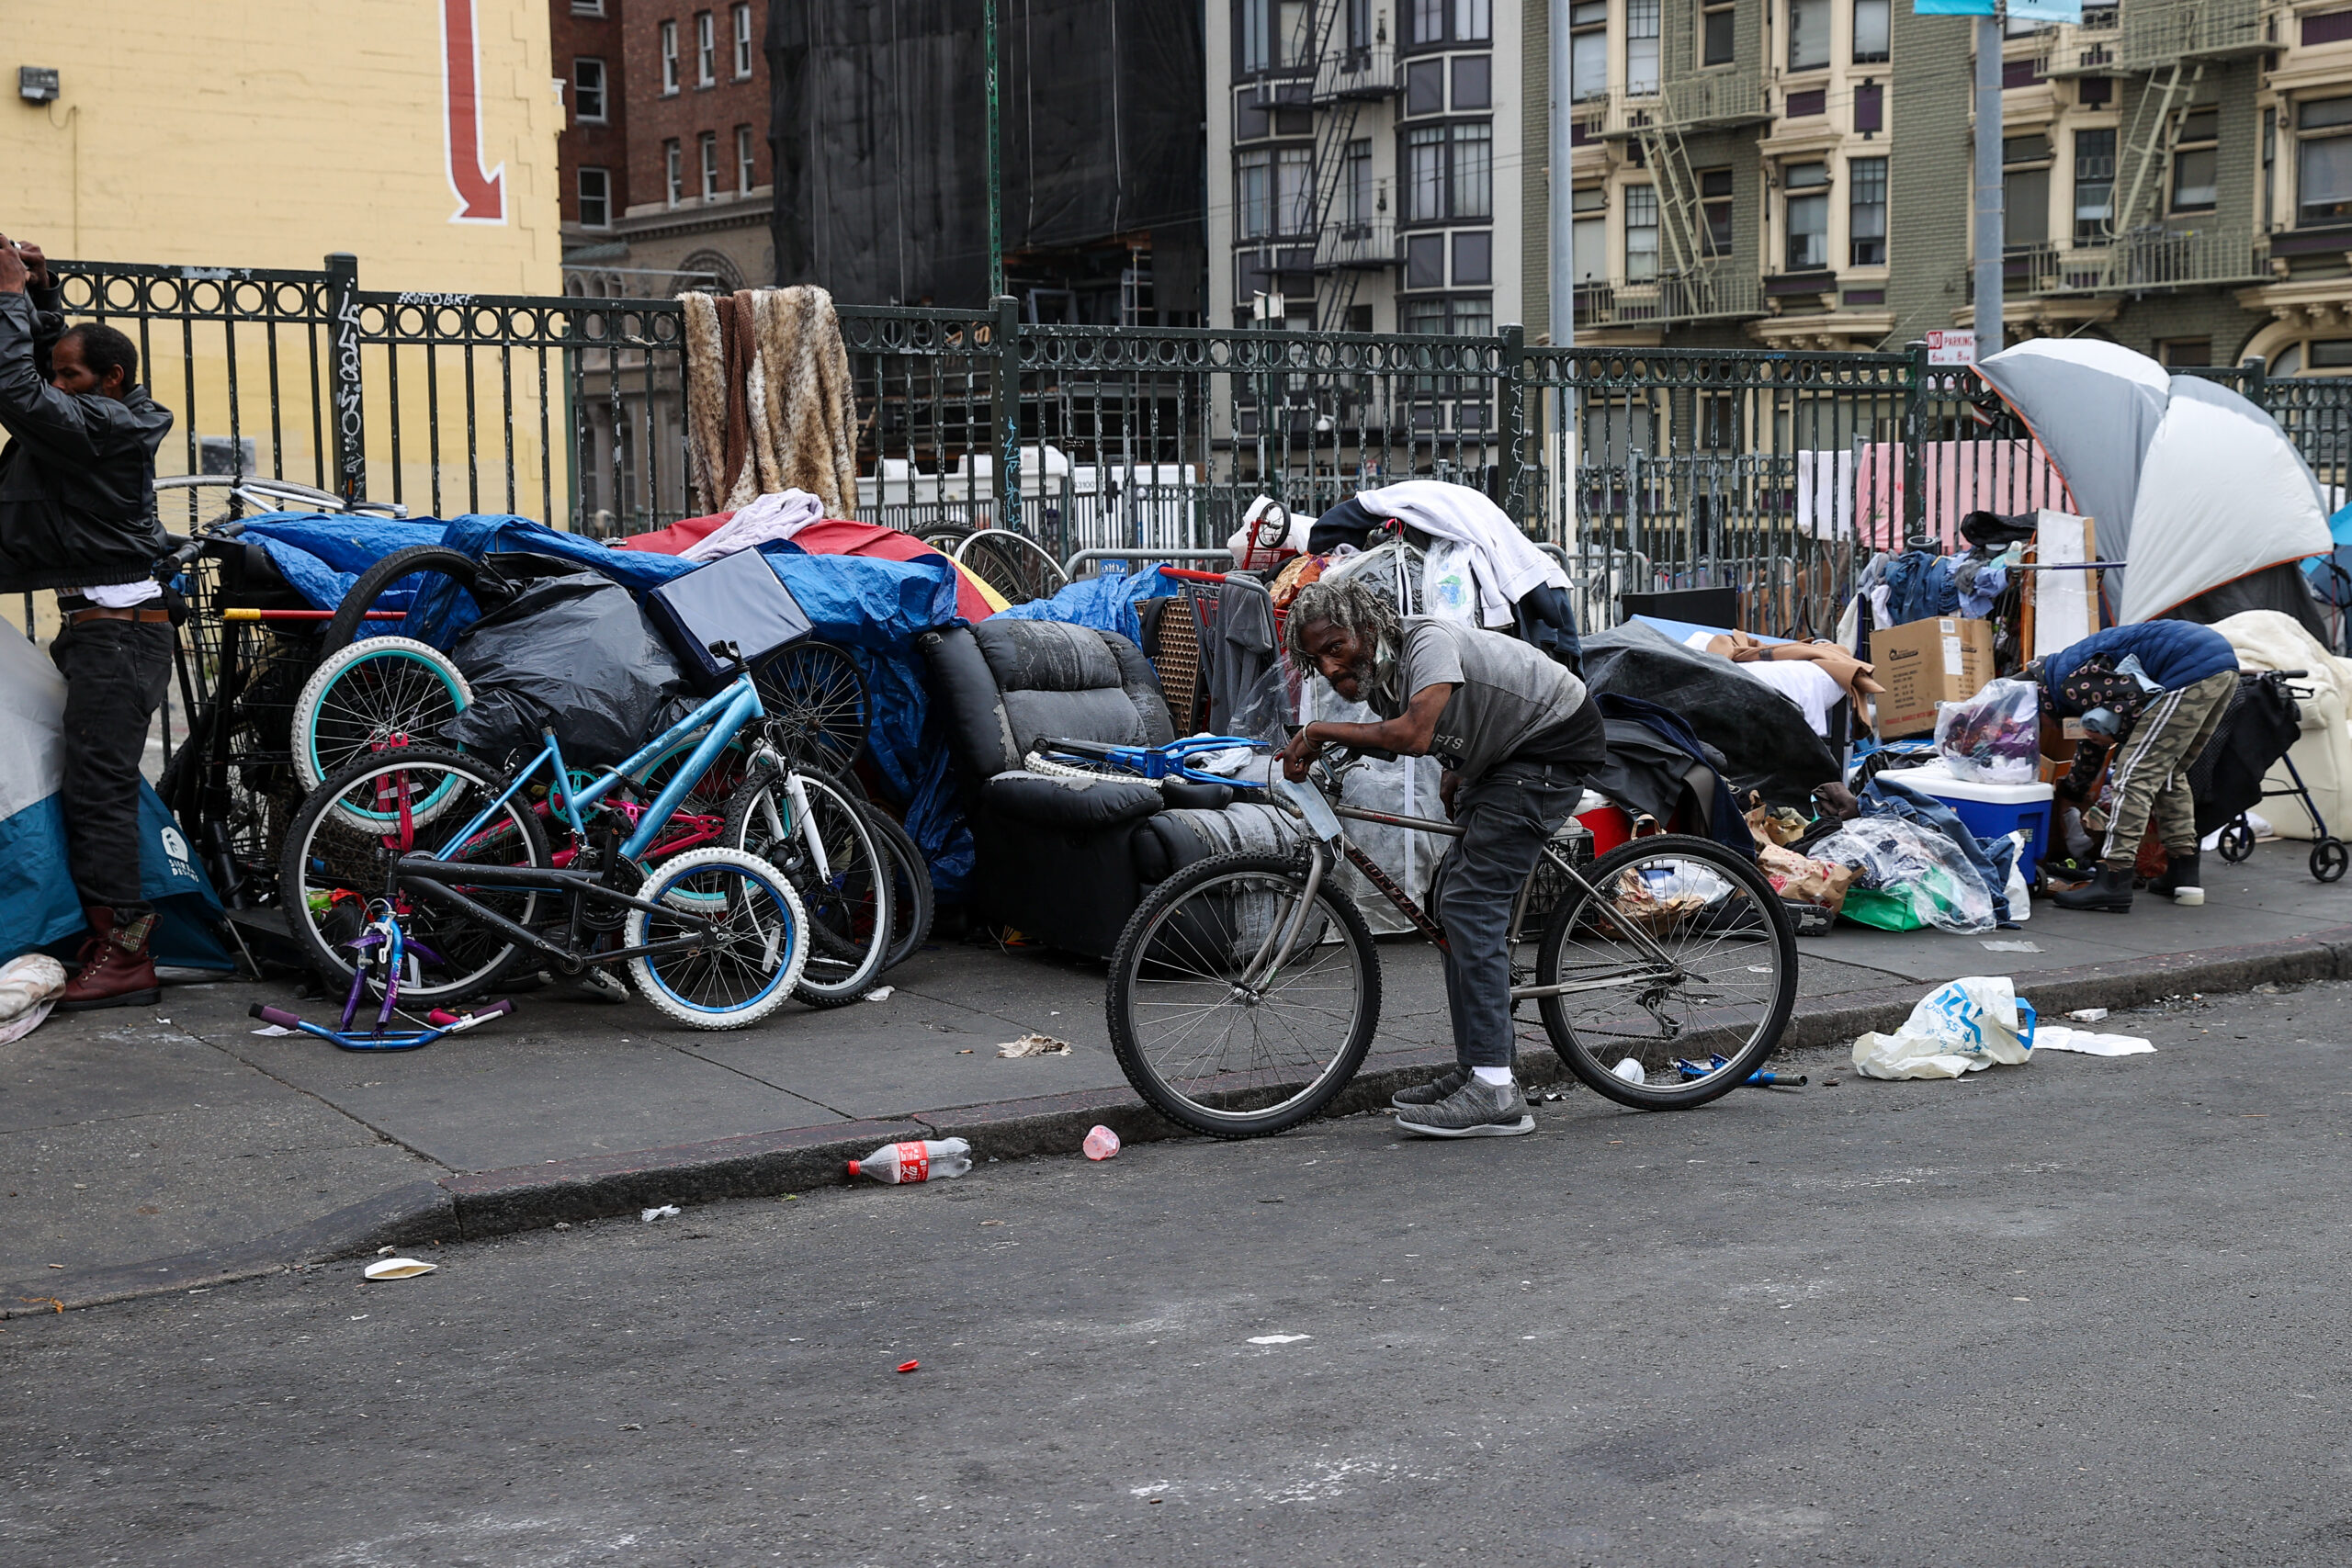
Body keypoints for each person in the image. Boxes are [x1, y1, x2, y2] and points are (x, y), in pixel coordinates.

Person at [1279, 578, 1609, 1138]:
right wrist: (1458, 767)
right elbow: (1438, 729)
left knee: (1470, 904)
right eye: (1317, 660)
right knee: (1448, 899)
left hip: (1550, 745)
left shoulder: (1425, 643)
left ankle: (1496, 1090)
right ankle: (1476, 1066)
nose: (1329, 668)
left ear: (1366, 626)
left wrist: (1315, 732)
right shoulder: (1381, 676)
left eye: (1335, 647)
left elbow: (1411, 734)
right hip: (1504, 758)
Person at [0, 232, 175, 1007]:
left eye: (71, 375)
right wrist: (42, 295)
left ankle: (127, 955)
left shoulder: (102, 427)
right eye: (57, 372)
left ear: (112, 381)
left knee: (98, 793)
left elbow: (17, 390)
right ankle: (105, 936)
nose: (56, 382)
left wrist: (8, 299)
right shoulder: (99, 412)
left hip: (120, 635)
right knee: (90, 785)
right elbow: (38, 376)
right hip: (101, 630)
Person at [2029, 619, 2240, 914]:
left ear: (2039, 698)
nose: (2045, 727)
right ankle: (2182, 871)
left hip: (2189, 668)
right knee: (2167, 771)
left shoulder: (2067, 683)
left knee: (2133, 775)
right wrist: (2073, 792)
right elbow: (2093, 740)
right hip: (2219, 665)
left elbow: (2132, 696)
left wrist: (2115, 735)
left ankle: (2114, 878)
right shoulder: (2066, 674)